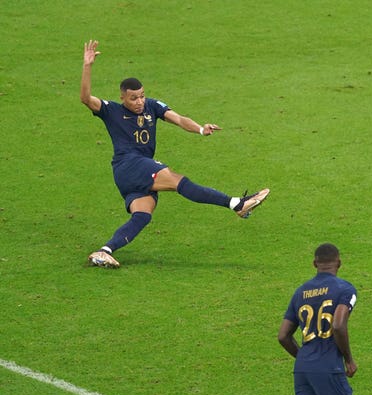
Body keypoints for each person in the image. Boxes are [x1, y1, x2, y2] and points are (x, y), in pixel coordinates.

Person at [80, 40, 269, 268]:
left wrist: (200, 128)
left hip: (134, 172)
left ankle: (104, 251)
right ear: (122, 98)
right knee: (177, 180)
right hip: (129, 165)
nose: (140, 101)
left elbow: (178, 119)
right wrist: (88, 66)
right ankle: (237, 204)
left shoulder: (151, 106)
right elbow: (85, 98)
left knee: (143, 215)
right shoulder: (111, 110)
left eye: (142, 96)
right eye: (134, 98)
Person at [278, 243, 358, 395]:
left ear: (315, 264)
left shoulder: (300, 293)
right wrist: (349, 359)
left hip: (302, 369)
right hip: (329, 367)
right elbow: (338, 325)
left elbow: (283, 336)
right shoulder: (345, 289)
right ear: (339, 263)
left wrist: (304, 357)